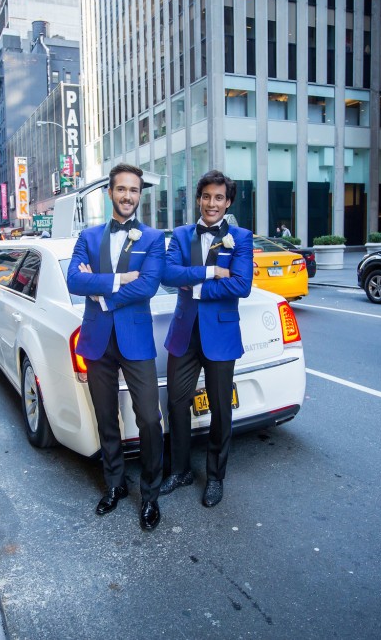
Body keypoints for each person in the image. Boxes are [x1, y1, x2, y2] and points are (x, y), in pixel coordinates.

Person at [66, 163, 166, 531]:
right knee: (107, 419)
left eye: (134, 190)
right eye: (121, 189)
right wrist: (120, 279)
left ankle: (150, 495)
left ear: (140, 195)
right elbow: (74, 280)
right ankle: (115, 485)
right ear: (110, 192)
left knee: (150, 420)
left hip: (136, 340)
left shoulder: (153, 239)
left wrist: (102, 290)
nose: (128, 196)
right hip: (96, 341)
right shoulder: (88, 237)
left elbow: (149, 286)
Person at [160, 170, 254, 508]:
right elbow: (168, 275)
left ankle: (215, 477)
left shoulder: (240, 238)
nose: (211, 203)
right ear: (198, 199)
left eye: (218, 198)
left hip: (221, 334)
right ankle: (181, 469)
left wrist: (193, 284)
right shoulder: (182, 235)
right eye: (206, 197)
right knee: (176, 404)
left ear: (227, 202)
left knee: (220, 410)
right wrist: (212, 272)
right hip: (183, 333)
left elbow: (241, 286)